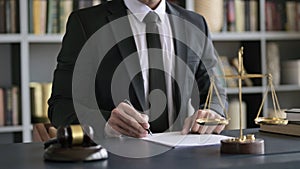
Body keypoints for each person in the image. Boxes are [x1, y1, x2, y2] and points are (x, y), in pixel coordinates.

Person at [48, 0, 228, 138]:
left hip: (182, 157)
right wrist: (106, 123)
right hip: (116, 159)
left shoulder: (196, 24)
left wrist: (211, 113)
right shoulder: (86, 24)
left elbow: (216, 93)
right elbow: (61, 106)